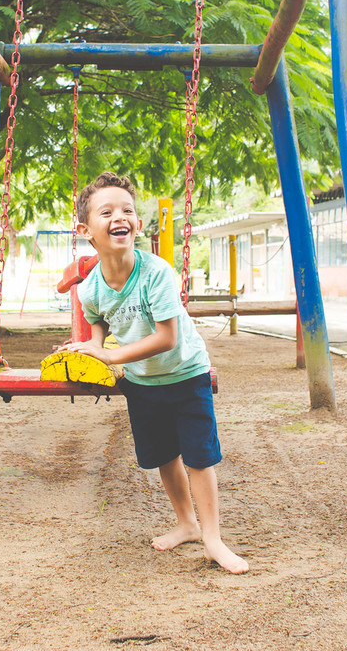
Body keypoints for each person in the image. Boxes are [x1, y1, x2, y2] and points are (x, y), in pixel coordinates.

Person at [61, 171, 248, 574]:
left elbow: (166, 337)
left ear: (138, 225)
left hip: (185, 373)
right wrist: (95, 343)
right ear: (85, 230)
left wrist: (111, 358)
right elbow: (98, 318)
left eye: (127, 210)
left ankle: (213, 539)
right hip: (143, 383)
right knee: (165, 457)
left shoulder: (156, 272)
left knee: (198, 458)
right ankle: (187, 523)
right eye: (106, 211)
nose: (119, 217)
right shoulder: (90, 287)